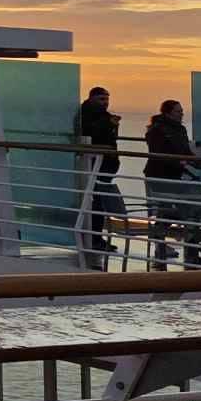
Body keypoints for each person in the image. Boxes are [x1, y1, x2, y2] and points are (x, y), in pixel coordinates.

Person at [144, 100, 201, 267]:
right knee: (171, 209)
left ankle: (167, 242)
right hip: (159, 175)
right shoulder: (157, 130)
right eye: (178, 111)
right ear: (168, 113)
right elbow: (158, 153)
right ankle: (174, 243)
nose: (181, 114)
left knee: (172, 209)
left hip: (174, 176)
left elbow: (185, 151)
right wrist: (180, 163)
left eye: (181, 111)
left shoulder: (180, 129)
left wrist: (196, 162)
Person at [77, 87, 125, 268]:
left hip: (105, 163)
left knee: (100, 201)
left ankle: (96, 236)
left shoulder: (104, 117)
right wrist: (109, 124)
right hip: (92, 162)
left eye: (106, 99)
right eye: (101, 99)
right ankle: (93, 237)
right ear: (91, 99)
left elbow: (111, 139)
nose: (105, 103)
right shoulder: (86, 115)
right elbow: (92, 134)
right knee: (95, 200)